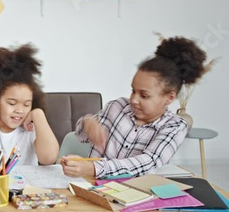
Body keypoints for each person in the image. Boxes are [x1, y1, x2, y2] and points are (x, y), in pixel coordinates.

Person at [61, 36, 213, 179]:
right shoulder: (117, 107)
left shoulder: (175, 126)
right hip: (94, 189)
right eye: (133, 90)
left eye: (144, 95)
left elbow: (148, 163)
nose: (134, 99)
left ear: (169, 98)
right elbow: (81, 136)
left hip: (138, 196)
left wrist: (93, 168)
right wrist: (87, 124)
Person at [0, 43, 59, 173]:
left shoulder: (33, 127)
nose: (20, 110)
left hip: (25, 190)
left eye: (26, 104)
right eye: (12, 103)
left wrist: (38, 114)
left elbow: (49, 158)